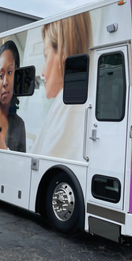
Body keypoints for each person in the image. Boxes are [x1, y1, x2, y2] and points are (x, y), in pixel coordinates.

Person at [31, 12, 91, 160]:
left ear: (63, 53)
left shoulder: (66, 103)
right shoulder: (82, 95)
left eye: (46, 56)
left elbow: (39, 164)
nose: (42, 72)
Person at [0, 40, 26, 152]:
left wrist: (4, 149)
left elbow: (21, 164)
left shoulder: (19, 125)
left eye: (9, 72)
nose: (5, 82)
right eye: (1, 75)